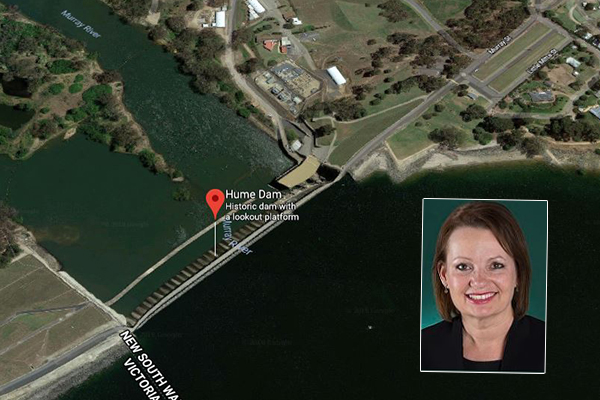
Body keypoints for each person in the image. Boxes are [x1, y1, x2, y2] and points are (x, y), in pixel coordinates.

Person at [421, 201, 545, 372]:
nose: (479, 281)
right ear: (444, 276)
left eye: (496, 265)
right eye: (463, 266)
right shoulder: (421, 348)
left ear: (518, 273)